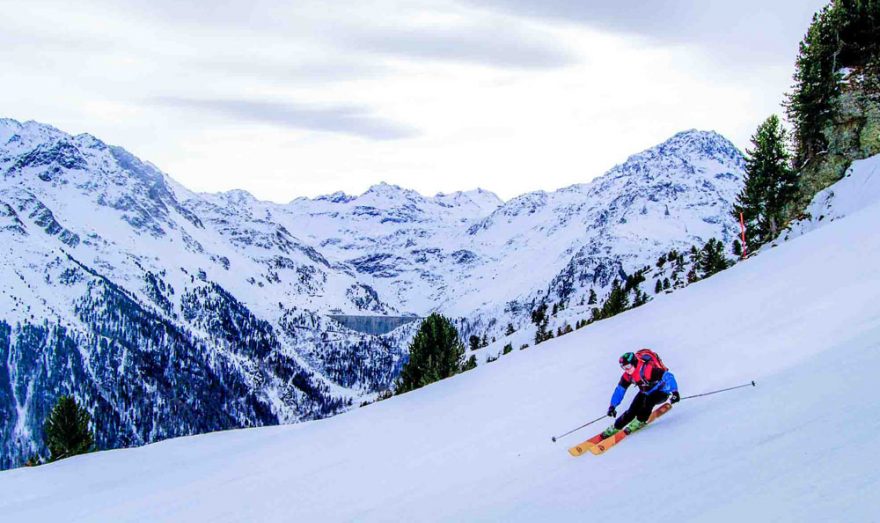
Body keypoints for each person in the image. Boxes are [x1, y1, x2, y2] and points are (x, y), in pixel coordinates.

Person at [601, 349, 680, 438]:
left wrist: (675, 392)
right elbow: (620, 390)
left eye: (628, 367)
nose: (626, 370)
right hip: (646, 392)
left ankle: (640, 420)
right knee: (632, 410)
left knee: (648, 401)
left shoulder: (647, 370)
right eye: (624, 368)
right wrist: (612, 406)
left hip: (662, 392)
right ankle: (616, 426)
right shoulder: (627, 376)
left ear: (634, 363)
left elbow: (668, 376)